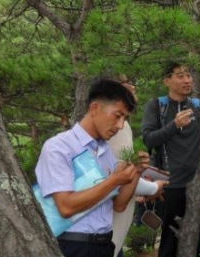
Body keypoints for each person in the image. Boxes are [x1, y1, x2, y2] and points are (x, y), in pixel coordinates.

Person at [35, 79, 150, 257]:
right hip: (73, 245)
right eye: (117, 115)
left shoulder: (105, 151)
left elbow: (118, 205)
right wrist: (113, 180)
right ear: (95, 108)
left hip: (104, 245)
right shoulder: (59, 147)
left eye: (125, 118)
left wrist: (137, 171)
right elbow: (65, 207)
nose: (120, 126)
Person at [141, 62, 200, 257]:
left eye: (189, 75)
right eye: (180, 76)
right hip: (171, 184)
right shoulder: (158, 105)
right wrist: (174, 124)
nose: (187, 80)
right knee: (169, 244)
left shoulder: (199, 106)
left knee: (197, 242)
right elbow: (149, 138)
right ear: (167, 80)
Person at [108, 79, 168, 257]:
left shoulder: (121, 125)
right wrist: (154, 187)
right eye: (125, 84)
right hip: (108, 229)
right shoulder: (118, 128)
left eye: (133, 84)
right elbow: (118, 176)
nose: (133, 87)